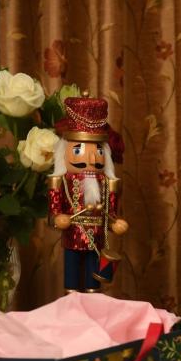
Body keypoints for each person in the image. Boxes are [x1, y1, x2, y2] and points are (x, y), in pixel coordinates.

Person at [48, 93, 128, 293]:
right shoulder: (63, 180)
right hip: (73, 233)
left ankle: (93, 302)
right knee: (72, 276)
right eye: (79, 150)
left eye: (98, 151)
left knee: (95, 280)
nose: (91, 157)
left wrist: (115, 223)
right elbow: (54, 210)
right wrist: (58, 217)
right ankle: (71, 299)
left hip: (96, 237)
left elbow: (110, 209)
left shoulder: (105, 182)